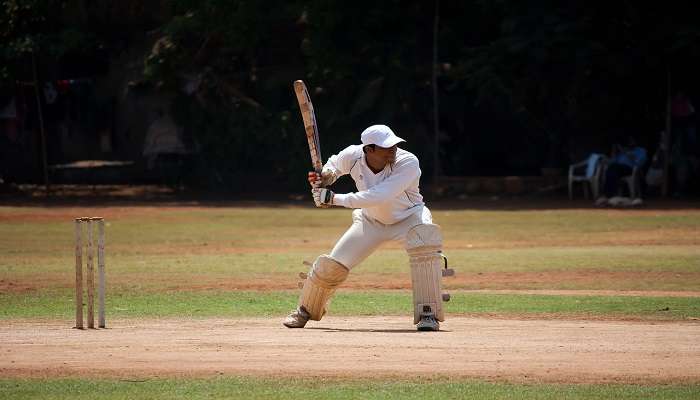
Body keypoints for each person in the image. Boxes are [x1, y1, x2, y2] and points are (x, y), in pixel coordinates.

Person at [283, 125, 448, 331]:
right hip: (371, 221)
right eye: (386, 147)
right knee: (332, 264)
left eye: (395, 145)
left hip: (409, 218)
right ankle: (305, 310)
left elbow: (379, 195)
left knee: (426, 244)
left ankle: (428, 314)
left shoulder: (408, 162)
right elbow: (334, 164)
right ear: (368, 149)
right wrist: (326, 175)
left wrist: (333, 199)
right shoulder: (353, 155)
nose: (393, 150)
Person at [595, 136, 647, 206]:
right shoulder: (622, 153)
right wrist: (605, 160)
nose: (630, 143)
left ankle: (607, 195)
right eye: (629, 142)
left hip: (630, 169)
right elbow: (613, 161)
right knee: (611, 169)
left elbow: (640, 162)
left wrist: (628, 154)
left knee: (613, 168)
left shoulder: (640, 150)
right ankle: (610, 196)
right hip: (618, 169)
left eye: (632, 141)